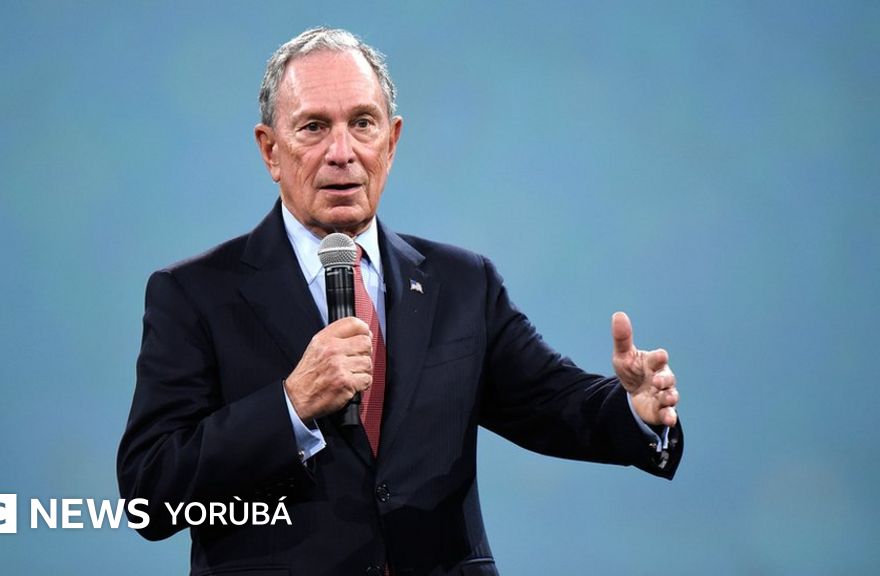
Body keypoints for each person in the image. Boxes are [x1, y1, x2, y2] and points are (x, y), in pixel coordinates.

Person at [117, 27, 683, 576]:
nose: (342, 152)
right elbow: (150, 492)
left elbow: (553, 403)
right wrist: (291, 404)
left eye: (362, 123)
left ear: (391, 141)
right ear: (270, 150)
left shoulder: (463, 283)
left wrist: (634, 409)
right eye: (314, 127)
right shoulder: (195, 294)